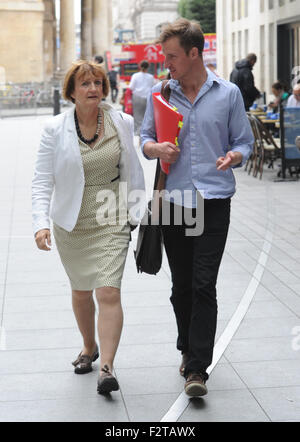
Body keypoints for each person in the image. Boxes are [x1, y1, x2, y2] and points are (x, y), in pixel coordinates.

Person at [141, 18, 253, 397]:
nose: (166, 62)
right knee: (181, 286)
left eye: (172, 56)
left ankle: (197, 367)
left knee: (204, 283)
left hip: (214, 200)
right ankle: (187, 347)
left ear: (193, 54)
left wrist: (235, 155)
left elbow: (244, 142)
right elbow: (145, 138)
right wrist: (155, 148)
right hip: (173, 202)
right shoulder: (161, 92)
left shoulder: (228, 94)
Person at [32, 60, 145, 395]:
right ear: (71, 91)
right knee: (81, 291)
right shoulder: (55, 129)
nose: (94, 88)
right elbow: (41, 180)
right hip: (72, 222)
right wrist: (40, 224)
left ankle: (107, 367)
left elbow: (133, 167)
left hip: (112, 215)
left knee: (108, 290)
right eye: (85, 84)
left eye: (98, 82)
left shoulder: (121, 121)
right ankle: (88, 346)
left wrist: (137, 211)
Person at [129, 60, 155, 135]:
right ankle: (145, 131)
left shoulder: (135, 75)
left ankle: (138, 132)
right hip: (147, 97)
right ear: (148, 67)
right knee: (146, 115)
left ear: (140, 66)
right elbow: (153, 87)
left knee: (137, 115)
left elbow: (131, 87)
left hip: (137, 97)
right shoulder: (151, 77)